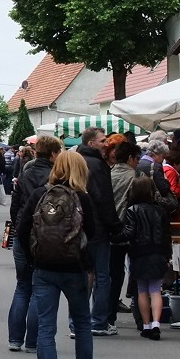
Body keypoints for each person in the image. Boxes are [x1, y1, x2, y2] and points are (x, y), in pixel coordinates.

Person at [16, 150, 103, 359]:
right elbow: (93, 233)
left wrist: (36, 258)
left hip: (44, 269)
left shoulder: (40, 195)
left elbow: (22, 231)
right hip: (74, 269)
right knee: (82, 323)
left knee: (46, 327)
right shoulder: (82, 198)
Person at [7, 135, 63, 352]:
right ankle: (32, 342)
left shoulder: (26, 173)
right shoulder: (54, 176)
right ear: (53, 153)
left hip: (23, 232)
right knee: (39, 290)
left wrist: (19, 224)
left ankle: (14, 339)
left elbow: (15, 205)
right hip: (43, 237)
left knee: (22, 286)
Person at [76, 127, 121, 337]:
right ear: (92, 143)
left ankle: (76, 321)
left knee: (83, 274)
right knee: (102, 276)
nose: (107, 144)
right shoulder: (97, 164)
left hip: (77, 226)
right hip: (98, 227)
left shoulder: (75, 160)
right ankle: (98, 321)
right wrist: (114, 225)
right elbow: (104, 199)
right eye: (103, 141)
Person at [120, 176, 172, 340]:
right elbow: (166, 235)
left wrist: (114, 236)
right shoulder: (160, 211)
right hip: (158, 252)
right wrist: (167, 254)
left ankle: (146, 324)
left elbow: (129, 233)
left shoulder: (132, 210)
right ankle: (157, 323)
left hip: (139, 253)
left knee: (142, 290)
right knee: (156, 290)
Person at [109, 141, 141, 327]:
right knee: (132, 274)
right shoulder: (135, 176)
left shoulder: (109, 173)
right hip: (131, 229)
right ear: (130, 158)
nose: (138, 162)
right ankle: (139, 316)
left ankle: (107, 314)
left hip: (112, 229)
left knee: (111, 274)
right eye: (137, 158)